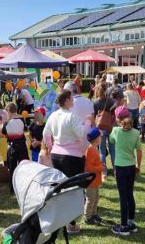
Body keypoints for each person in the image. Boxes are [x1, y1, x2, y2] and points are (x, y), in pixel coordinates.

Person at [43, 89, 86, 234]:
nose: (73, 100)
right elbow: (80, 134)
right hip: (71, 157)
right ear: (66, 100)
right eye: (71, 98)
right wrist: (86, 125)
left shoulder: (53, 115)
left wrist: (49, 147)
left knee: (60, 188)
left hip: (57, 155)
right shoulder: (72, 117)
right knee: (72, 190)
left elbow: (45, 133)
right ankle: (71, 225)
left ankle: (60, 220)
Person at [109, 106, 142, 236]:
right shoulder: (135, 132)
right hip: (131, 166)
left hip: (121, 167)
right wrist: (139, 165)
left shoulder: (116, 131)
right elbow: (139, 150)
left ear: (118, 119)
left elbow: (111, 140)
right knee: (130, 194)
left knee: (122, 197)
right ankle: (131, 222)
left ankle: (123, 226)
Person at [2, 102, 29, 194]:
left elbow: (4, 133)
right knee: (24, 167)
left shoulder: (7, 122)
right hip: (22, 146)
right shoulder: (22, 120)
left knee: (12, 168)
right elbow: (24, 130)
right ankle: (25, 186)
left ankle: (12, 189)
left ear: (9, 111)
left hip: (12, 147)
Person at [93, 85, 115, 178]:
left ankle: (104, 171)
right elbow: (114, 114)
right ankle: (116, 170)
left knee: (101, 151)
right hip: (110, 127)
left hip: (100, 128)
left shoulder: (95, 102)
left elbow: (94, 116)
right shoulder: (110, 101)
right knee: (113, 150)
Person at [84, 127, 104, 225]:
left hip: (95, 180)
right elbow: (89, 167)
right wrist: (100, 168)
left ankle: (94, 214)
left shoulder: (94, 148)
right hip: (91, 181)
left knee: (96, 198)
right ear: (96, 139)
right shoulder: (91, 150)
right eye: (100, 137)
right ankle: (87, 217)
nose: (101, 138)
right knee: (90, 199)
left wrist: (100, 164)